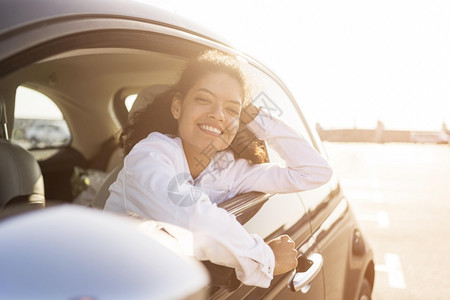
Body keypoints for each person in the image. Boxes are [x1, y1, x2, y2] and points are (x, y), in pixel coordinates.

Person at [104, 50, 333, 288]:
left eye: (232, 110)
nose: (218, 115)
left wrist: (258, 119)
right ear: (177, 107)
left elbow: (314, 172)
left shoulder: (226, 169)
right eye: (204, 100)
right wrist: (266, 258)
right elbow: (189, 216)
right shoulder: (148, 155)